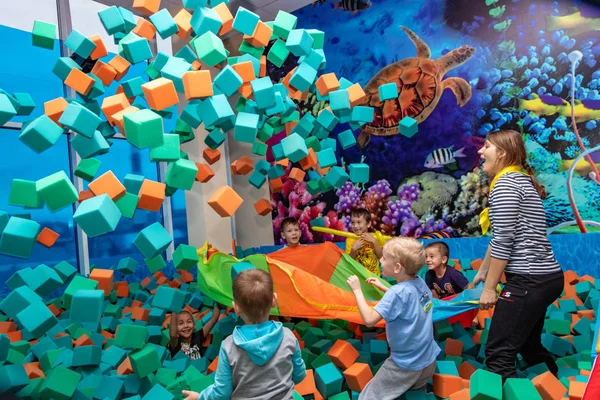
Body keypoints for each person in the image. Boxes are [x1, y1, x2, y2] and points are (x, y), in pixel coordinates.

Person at [473, 129, 563, 381]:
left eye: (487, 146)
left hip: (528, 281)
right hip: (546, 278)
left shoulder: (504, 185)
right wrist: (482, 272)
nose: (481, 151)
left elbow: (504, 239)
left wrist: (490, 288)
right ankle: (552, 386)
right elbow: (503, 234)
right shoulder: (519, 179)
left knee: (498, 354)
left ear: (502, 153)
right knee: (527, 344)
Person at [182, 269, 306, 400]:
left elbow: (222, 393)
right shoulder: (288, 337)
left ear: (236, 307)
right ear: (274, 300)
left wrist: (200, 397)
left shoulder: (229, 346)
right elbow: (299, 375)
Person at [347, 237, 440, 400]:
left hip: (405, 365)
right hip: (428, 358)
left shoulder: (396, 293)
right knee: (414, 394)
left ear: (397, 267)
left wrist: (357, 291)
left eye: (383, 258)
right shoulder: (420, 283)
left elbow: (369, 320)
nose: (380, 260)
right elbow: (408, 300)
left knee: (366, 397)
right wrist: (384, 287)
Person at [345, 208, 383, 275]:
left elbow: (381, 257)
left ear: (368, 224)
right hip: (358, 276)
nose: (355, 226)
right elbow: (349, 262)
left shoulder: (374, 238)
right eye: (353, 223)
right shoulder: (350, 240)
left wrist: (374, 242)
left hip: (374, 277)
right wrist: (354, 249)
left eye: (359, 222)